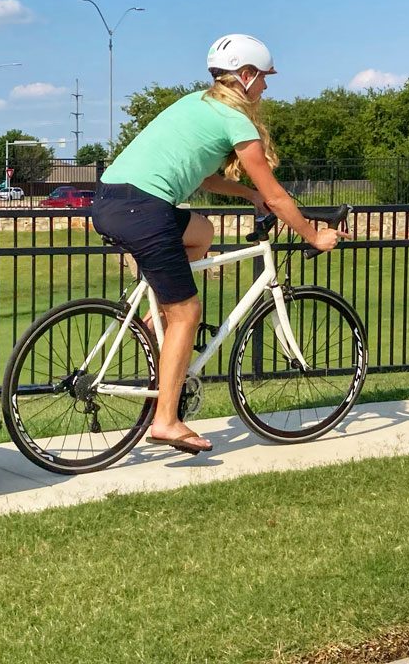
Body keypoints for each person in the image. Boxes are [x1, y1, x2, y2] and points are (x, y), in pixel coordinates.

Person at [91, 33, 349, 454]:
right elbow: (280, 196)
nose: (265, 87)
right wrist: (313, 235)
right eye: (264, 78)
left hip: (111, 200)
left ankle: (156, 324)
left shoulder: (196, 104)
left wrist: (248, 195)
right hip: (144, 210)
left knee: (203, 232)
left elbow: (201, 174)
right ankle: (167, 420)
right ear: (245, 77)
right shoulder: (236, 121)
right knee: (188, 312)